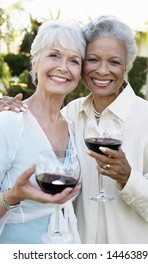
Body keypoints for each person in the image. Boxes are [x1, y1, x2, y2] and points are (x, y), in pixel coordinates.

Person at [1, 15, 148, 244]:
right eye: (92, 59)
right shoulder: (72, 114)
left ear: (127, 66)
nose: (103, 71)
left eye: (114, 62)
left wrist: (128, 178)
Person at [0, 19, 86, 244]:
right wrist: (14, 196)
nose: (63, 67)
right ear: (35, 61)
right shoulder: (9, 122)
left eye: (74, 60)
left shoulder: (73, 128)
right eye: (54, 55)